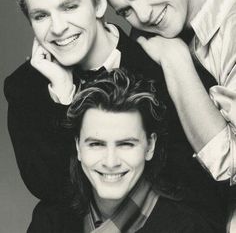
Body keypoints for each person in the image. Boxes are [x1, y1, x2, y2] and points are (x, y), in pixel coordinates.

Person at [4, 0, 224, 226]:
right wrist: (64, 99)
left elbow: (203, 181)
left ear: (98, 2)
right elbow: (53, 190)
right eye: (41, 15)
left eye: (69, 7)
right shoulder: (25, 88)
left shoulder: (163, 60)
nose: (57, 28)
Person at [92, 0, 236, 211]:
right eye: (126, 10)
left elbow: (229, 163)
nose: (143, 15)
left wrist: (176, 61)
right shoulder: (148, 38)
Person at [27, 69, 223, 233]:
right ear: (78, 147)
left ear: (150, 146)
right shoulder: (50, 221)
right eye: (96, 144)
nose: (111, 162)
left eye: (126, 144)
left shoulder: (189, 228)